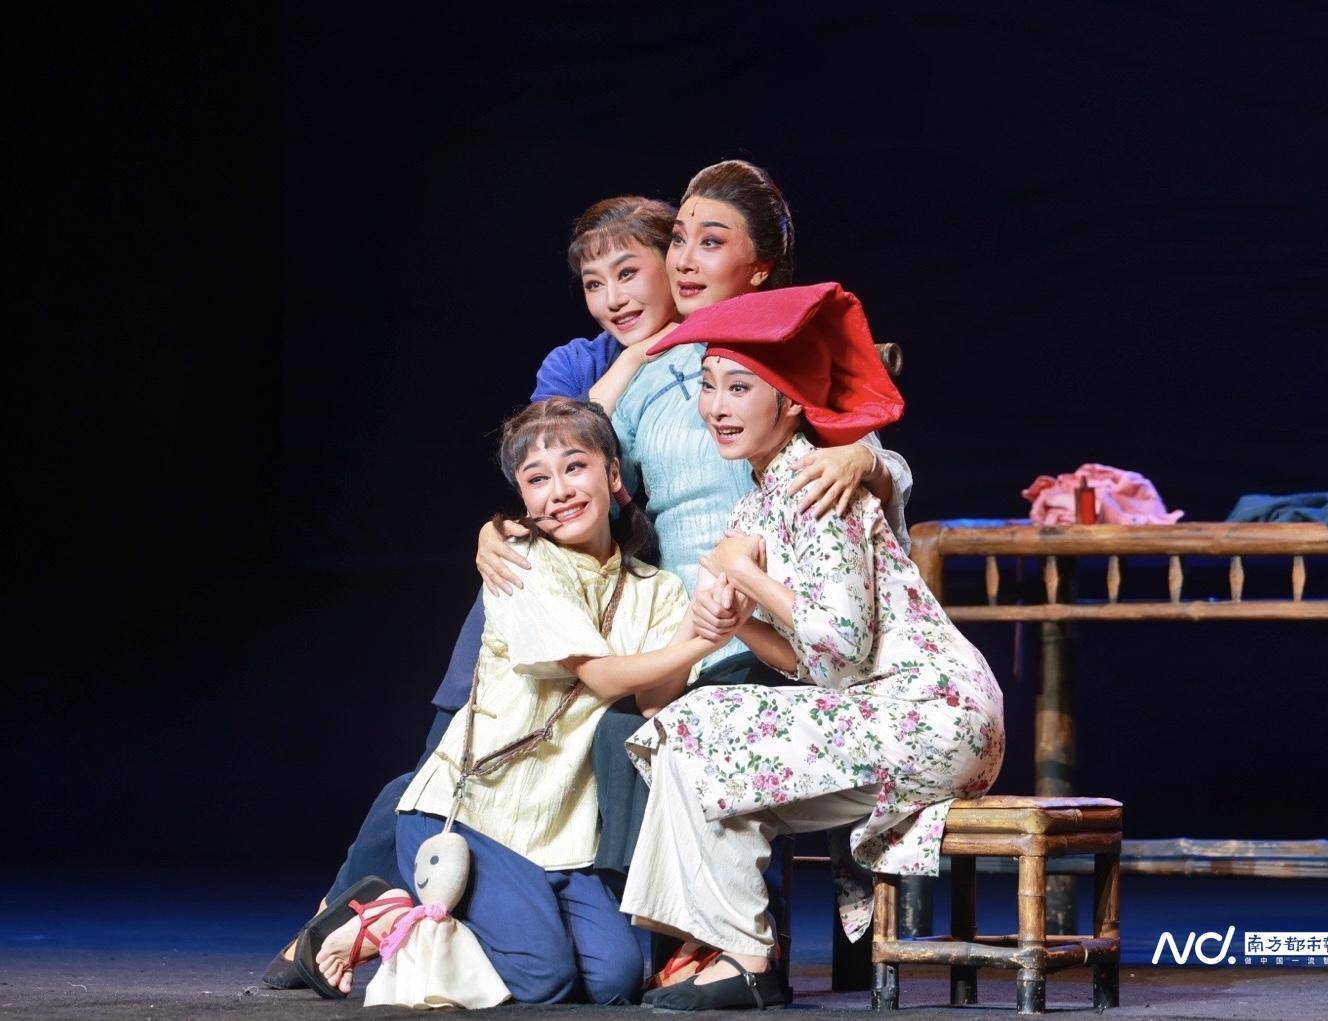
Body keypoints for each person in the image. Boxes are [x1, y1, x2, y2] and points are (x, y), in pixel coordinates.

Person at [263, 195, 682, 988]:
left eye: (630, 273)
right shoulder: (578, 362)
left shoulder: (712, 359)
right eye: (595, 284)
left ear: (677, 263)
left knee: (565, 775)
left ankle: (563, 924)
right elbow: (555, 446)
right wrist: (638, 357)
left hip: (635, 589)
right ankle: (338, 913)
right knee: (451, 760)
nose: (614, 297)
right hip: (545, 580)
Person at [473, 160, 916, 888]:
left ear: (760, 267)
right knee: (624, 724)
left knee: (713, 718)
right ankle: (646, 925)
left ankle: (754, 927)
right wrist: (500, 526)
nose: (683, 259)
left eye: (709, 242)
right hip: (692, 619)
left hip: (796, 620)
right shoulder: (649, 373)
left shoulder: (792, 346)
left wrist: (861, 459)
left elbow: (879, 457)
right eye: (678, 239)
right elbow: (580, 475)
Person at [620, 283, 1006, 1010]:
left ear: (791, 402)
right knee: (704, 753)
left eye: (740, 388)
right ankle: (734, 948)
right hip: (880, 713)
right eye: (708, 385)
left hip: (935, 711)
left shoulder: (818, 482)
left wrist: (743, 577)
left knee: (701, 724)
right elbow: (806, 663)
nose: (716, 406)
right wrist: (736, 622)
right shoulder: (759, 498)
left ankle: (744, 954)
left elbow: (841, 650)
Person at [294, 397, 747, 1004]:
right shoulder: (521, 564)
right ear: (523, 499)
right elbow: (601, 677)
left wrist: (698, 621)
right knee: (544, 978)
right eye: (537, 479)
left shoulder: (657, 588)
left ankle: (462, 911)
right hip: (476, 811)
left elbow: (648, 701)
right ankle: (395, 912)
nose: (559, 491)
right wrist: (704, 640)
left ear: (613, 474)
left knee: (614, 981)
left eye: (574, 467)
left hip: (562, 833)